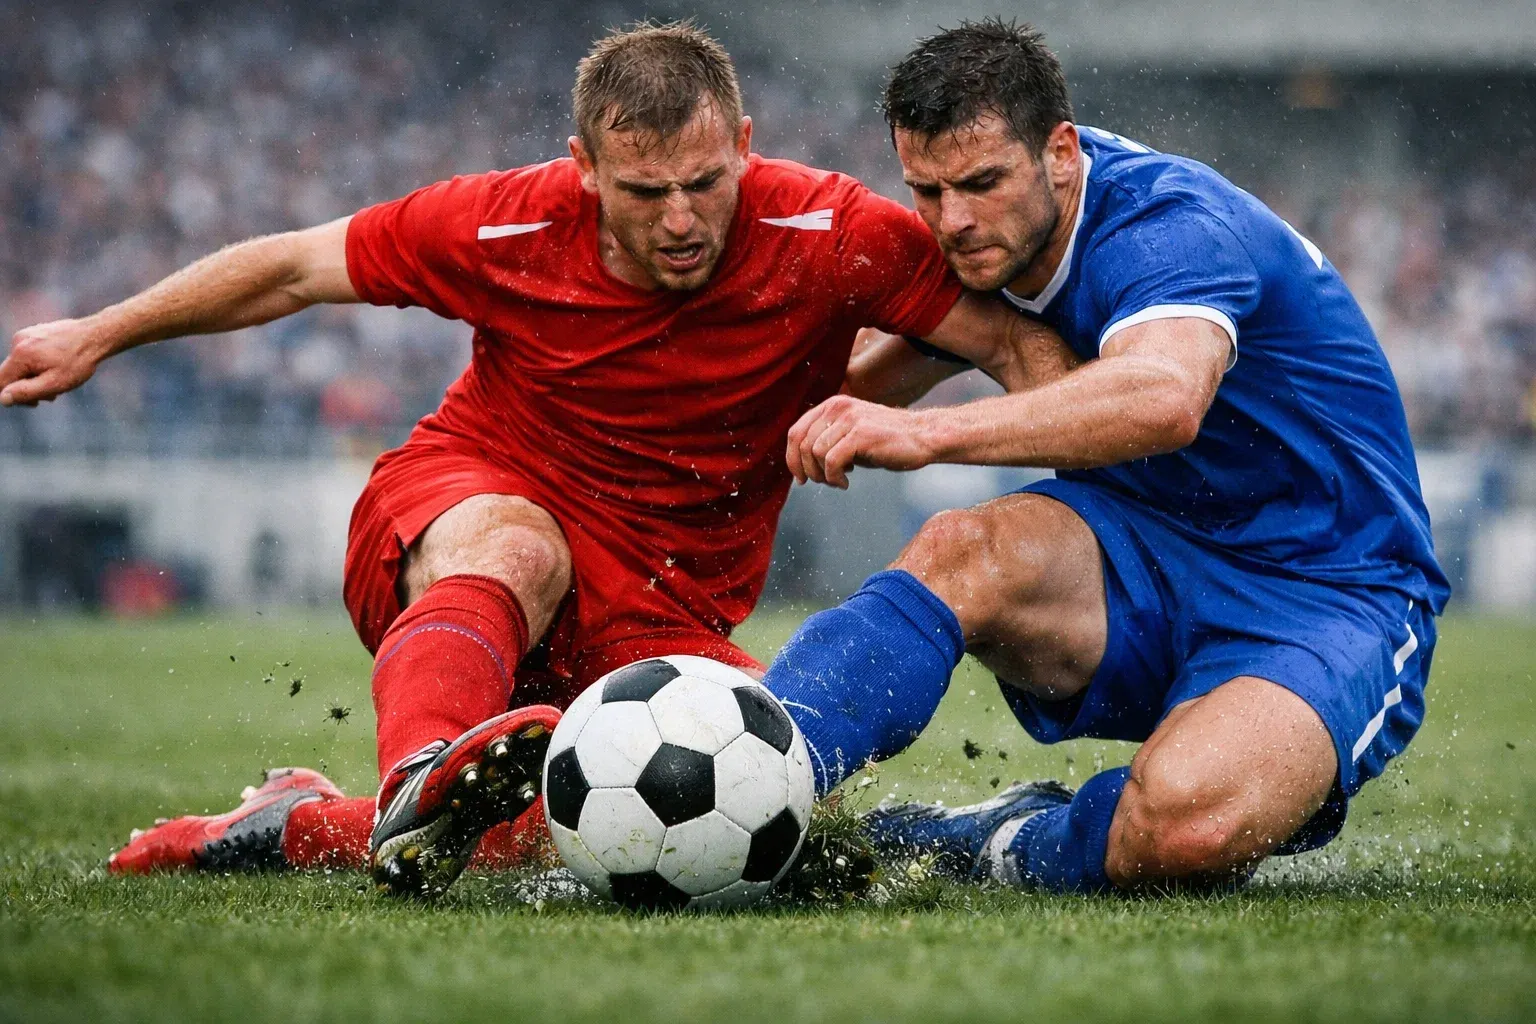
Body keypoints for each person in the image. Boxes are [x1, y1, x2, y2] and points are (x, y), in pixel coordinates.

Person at [0, 22, 1069, 898]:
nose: (685, 219)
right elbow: (289, 271)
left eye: (707, 181)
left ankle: (295, 825)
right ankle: (420, 762)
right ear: (584, 170)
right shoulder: (505, 224)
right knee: (521, 545)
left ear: (745, 141)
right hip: (469, 513)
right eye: (646, 194)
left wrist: (1110, 463)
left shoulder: (830, 228)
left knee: (739, 820)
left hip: (661, 605)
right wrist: (101, 331)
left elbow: (1017, 346)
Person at [762, 20, 1449, 893]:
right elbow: (944, 340)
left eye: (979, 183)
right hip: (1146, 546)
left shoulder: (1168, 226)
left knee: (1189, 828)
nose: (953, 221)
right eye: (926, 192)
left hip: (1329, 587)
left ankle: (992, 842)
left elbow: (1164, 398)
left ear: (1060, 150)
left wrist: (926, 433)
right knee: (957, 552)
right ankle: (754, 775)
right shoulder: (1009, 226)